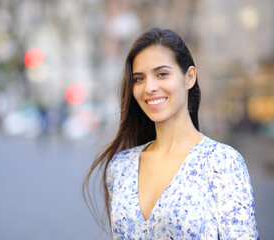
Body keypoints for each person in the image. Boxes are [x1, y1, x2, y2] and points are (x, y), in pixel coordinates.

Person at [83, 27, 259, 239]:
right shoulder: (121, 166)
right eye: (139, 78)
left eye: (162, 74)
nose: (149, 87)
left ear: (189, 78)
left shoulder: (222, 163)